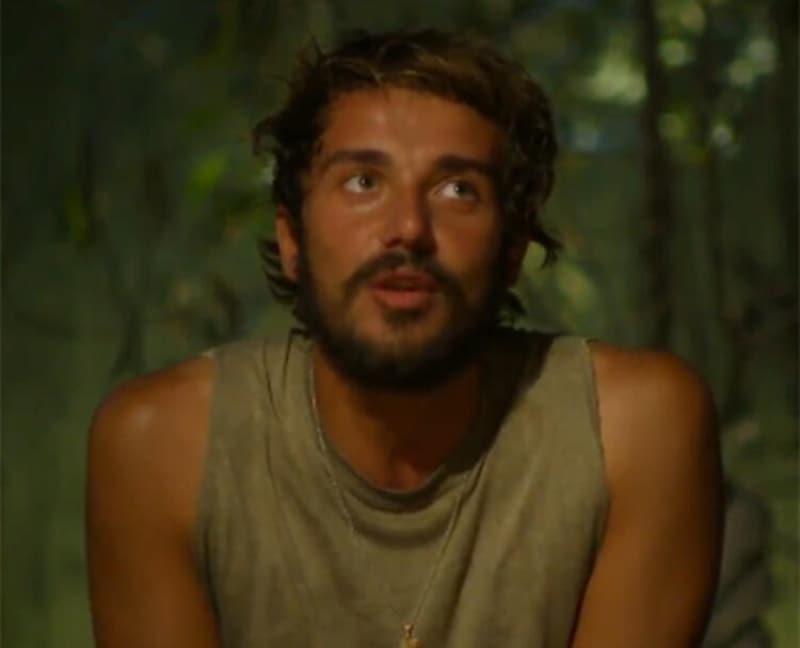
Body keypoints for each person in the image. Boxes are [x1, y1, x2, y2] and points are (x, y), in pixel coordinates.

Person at [86, 30, 723, 647]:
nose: (410, 228)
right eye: (363, 181)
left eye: (458, 190)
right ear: (292, 239)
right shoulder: (166, 447)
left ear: (511, 248)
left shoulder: (631, 429)